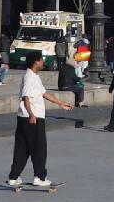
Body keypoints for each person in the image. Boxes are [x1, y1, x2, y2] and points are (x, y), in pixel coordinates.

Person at [6, 51, 70, 188]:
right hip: (33, 117)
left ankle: (14, 177)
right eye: (41, 60)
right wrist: (31, 114)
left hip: (24, 117)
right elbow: (26, 97)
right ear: (36, 62)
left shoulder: (34, 76)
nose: (42, 62)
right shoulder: (30, 77)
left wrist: (60, 103)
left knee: (22, 148)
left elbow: (44, 93)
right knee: (39, 147)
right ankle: (40, 177)